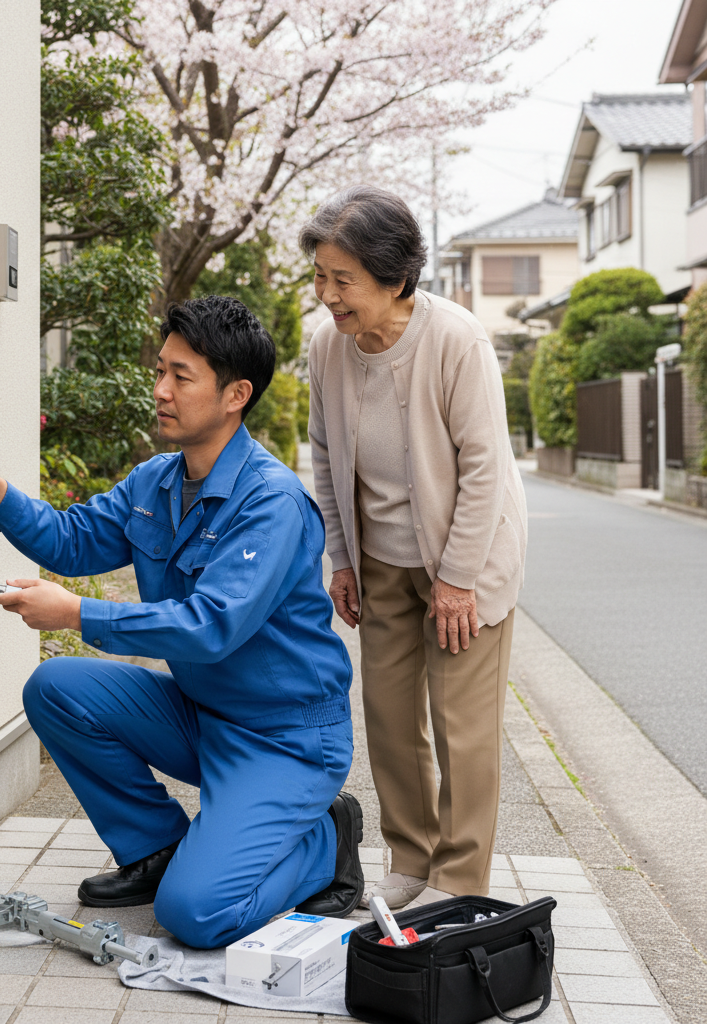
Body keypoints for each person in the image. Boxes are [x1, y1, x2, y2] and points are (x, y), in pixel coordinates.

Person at [0, 295, 364, 949]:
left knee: (197, 916)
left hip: (284, 740)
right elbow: (71, 540)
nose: (160, 389)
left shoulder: (272, 503)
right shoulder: (157, 483)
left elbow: (210, 626)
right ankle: (157, 847)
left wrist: (79, 612)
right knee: (56, 689)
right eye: (161, 370)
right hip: (204, 715)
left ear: (235, 395)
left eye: (181, 376)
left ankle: (326, 845)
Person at [301, 185, 527, 910]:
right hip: (382, 563)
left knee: (463, 728)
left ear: (395, 278)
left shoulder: (455, 339)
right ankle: (411, 856)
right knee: (392, 719)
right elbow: (325, 457)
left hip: (466, 557)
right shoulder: (326, 346)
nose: (327, 295)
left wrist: (458, 580)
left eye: (343, 280)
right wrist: (341, 556)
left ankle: (460, 883)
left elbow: (486, 467)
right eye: (321, 276)